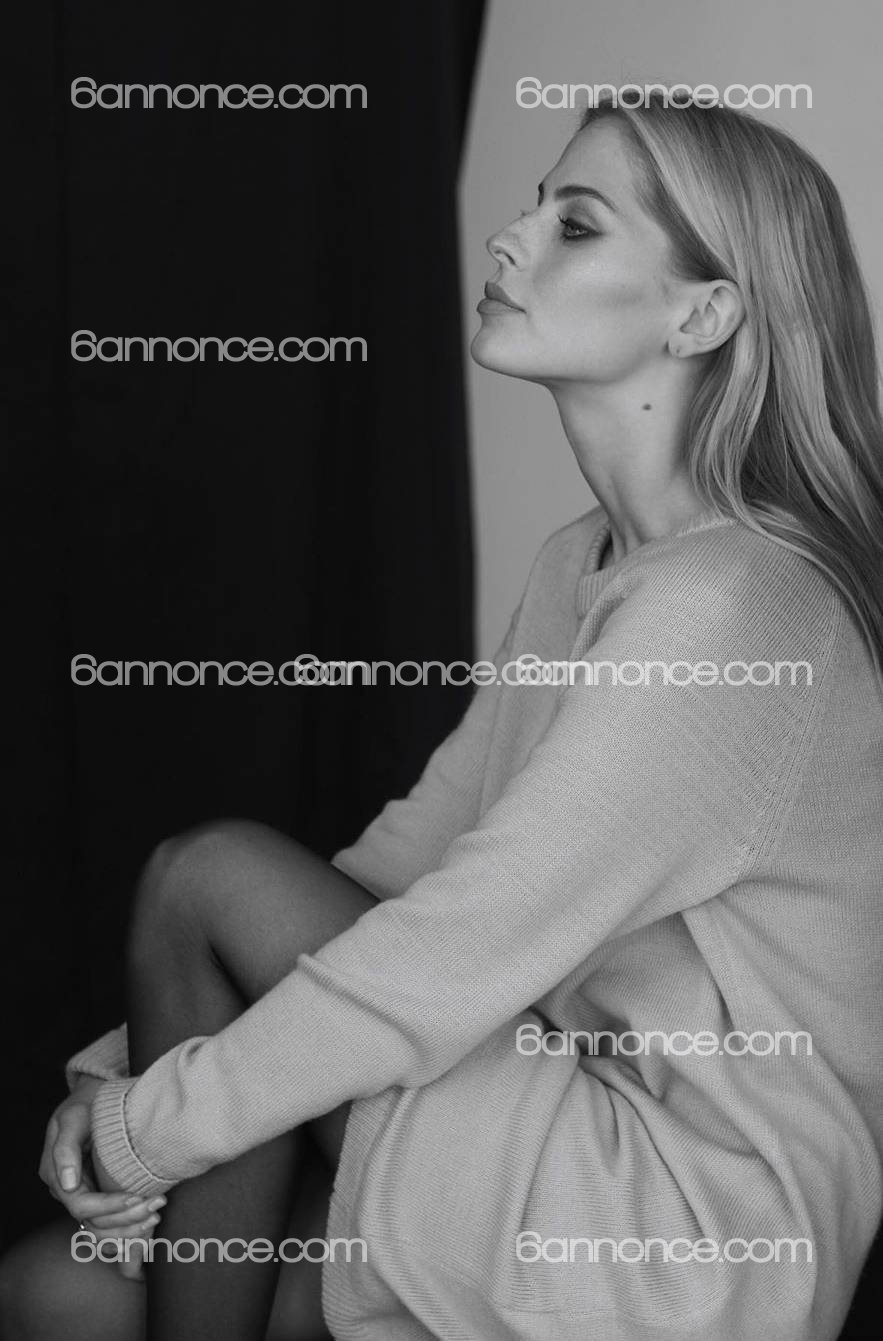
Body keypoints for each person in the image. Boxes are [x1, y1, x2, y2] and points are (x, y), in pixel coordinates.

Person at [2, 92, 882, 1341]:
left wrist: (151, 1123)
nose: (509, 241)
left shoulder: (731, 610)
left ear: (702, 315)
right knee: (54, 1295)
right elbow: (404, 870)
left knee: (206, 877)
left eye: (575, 225)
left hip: (681, 1230)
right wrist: (135, 1072)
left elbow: (455, 946)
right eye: (533, 208)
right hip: (556, 1122)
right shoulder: (584, 563)